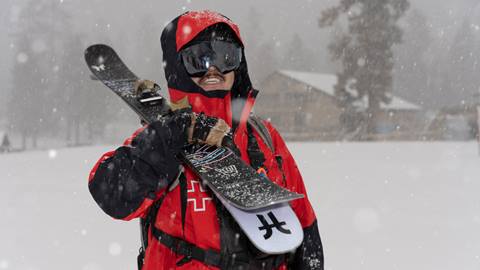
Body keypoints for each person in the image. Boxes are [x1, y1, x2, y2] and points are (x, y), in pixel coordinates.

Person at [88, 10, 324, 270]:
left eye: (226, 57)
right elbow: (113, 196)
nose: (213, 69)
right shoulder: (160, 139)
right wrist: (169, 137)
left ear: (238, 65)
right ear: (178, 66)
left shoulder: (264, 137)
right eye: (199, 59)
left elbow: (303, 224)